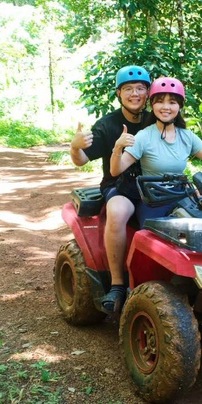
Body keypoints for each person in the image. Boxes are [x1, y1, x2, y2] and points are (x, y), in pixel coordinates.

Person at [110, 76, 202, 227]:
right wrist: (118, 147)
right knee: (154, 236)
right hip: (154, 199)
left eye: (172, 102)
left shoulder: (187, 136)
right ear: (152, 105)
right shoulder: (144, 136)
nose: (166, 107)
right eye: (160, 101)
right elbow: (116, 170)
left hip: (183, 195)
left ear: (180, 106)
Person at [70, 65, 151, 314]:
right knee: (116, 211)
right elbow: (82, 160)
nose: (134, 93)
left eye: (140, 88)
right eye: (128, 89)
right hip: (119, 186)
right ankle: (117, 284)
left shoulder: (157, 119)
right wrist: (75, 147)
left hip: (156, 187)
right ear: (118, 93)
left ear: (148, 93)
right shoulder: (107, 124)